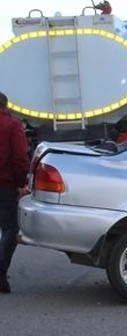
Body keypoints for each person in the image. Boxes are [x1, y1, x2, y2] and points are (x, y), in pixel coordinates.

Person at [0, 91, 30, 293]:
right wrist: (21, 183)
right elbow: (20, 157)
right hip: (5, 185)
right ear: (5, 105)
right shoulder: (12, 125)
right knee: (10, 228)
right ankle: (0, 272)